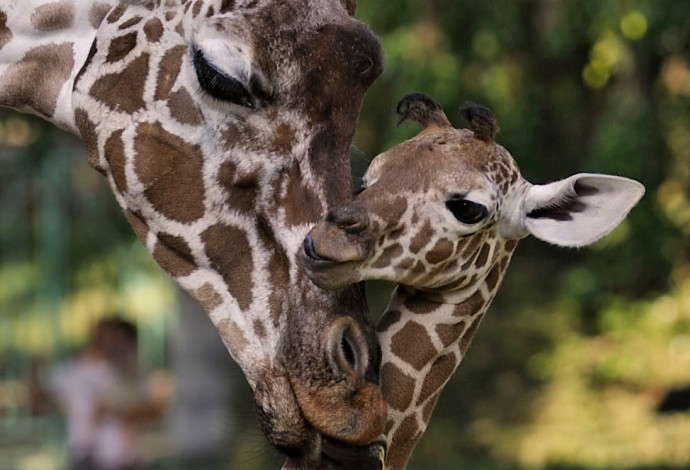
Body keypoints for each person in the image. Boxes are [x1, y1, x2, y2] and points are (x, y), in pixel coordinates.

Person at [51, 318, 153, 470]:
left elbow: (148, 409)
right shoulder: (71, 370)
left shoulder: (129, 371)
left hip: (123, 456)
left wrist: (117, 410)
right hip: (87, 453)